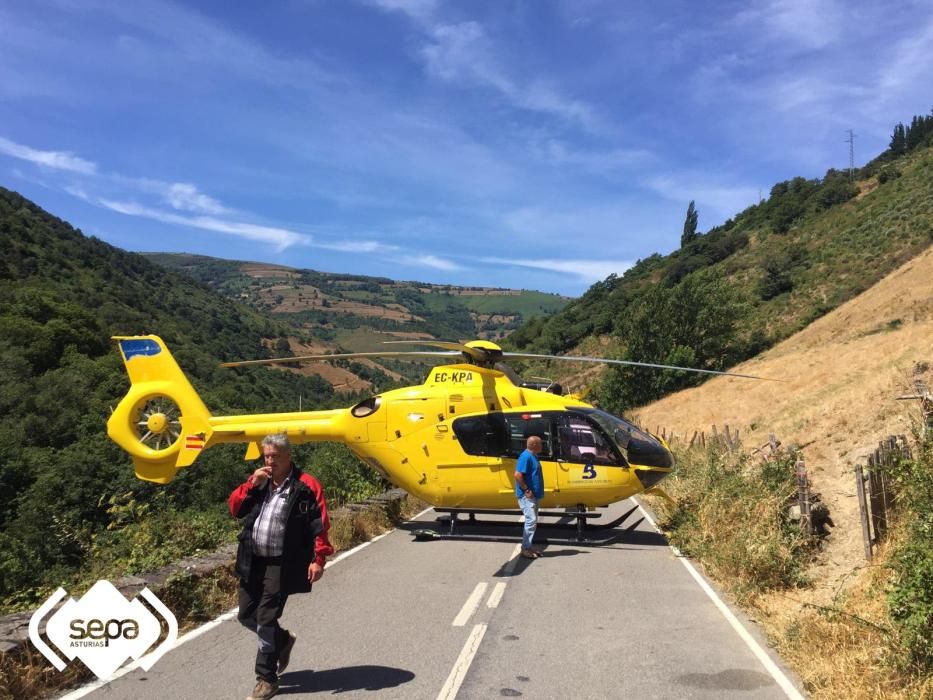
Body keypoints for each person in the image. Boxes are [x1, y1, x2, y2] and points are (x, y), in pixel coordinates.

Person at [228, 433, 334, 700]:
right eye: (266, 456)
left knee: (265, 619)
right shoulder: (259, 483)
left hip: (283, 563)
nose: (270, 461)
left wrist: (318, 559)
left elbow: (319, 524)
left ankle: (266, 678)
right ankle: (282, 640)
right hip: (253, 560)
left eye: (275, 456)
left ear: (288, 457)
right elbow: (234, 509)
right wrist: (252, 484)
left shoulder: (306, 485)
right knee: (245, 615)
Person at [514, 435, 544, 559]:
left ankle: (528, 546)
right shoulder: (525, 457)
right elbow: (517, 475)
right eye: (540, 444)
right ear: (534, 445)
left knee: (532, 521)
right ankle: (525, 548)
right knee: (531, 520)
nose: (542, 446)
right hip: (527, 496)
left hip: (533, 495)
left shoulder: (533, 456)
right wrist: (526, 489)